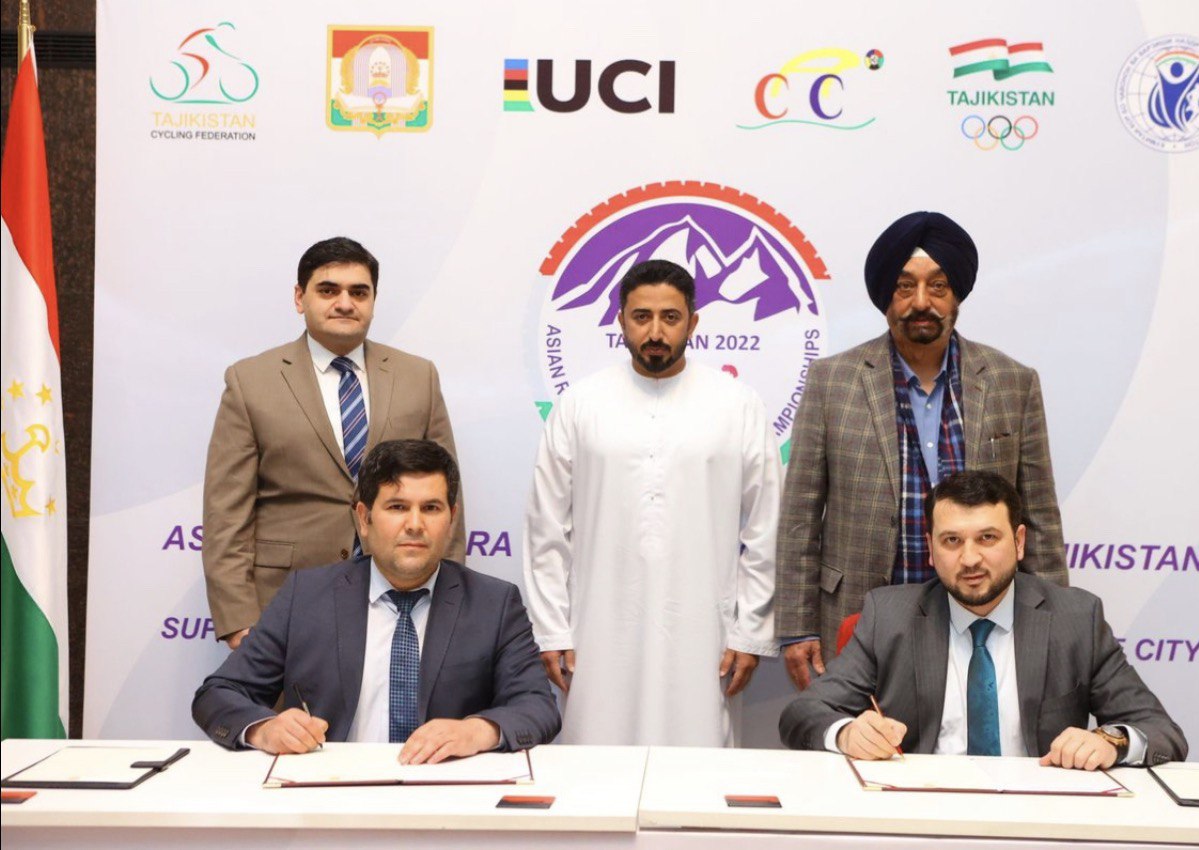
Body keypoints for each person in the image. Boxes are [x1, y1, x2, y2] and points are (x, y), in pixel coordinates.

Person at [778, 211, 1067, 689]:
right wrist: (797, 625)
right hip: (857, 614)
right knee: (865, 733)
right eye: (904, 286)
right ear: (885, 297)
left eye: (938, 286)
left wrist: (1057, 624)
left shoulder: (1012, 382)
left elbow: (1039, 516)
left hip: (983, 612)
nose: (921, 302)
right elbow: (800, 516)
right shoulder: (832, 381)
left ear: (957, 295)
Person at [523, 259, 782, 746]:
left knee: (699, 764)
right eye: (642, 317)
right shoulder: (580, 404)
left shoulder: (738, 404)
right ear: (621, 320)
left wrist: (749, 632)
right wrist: (552, 631)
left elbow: (767, 528)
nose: (656, 332)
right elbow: (546, 529)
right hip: (598, 631)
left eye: (670, 317)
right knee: (596, 764)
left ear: (693, 322)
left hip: (704, 634)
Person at [780, 471, 1187, 770]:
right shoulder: (888, 616)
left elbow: (1160, 730)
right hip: (920, 815)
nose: (970, 558)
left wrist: (1109, 741)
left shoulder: (1076, 618)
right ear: (930, 549)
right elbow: (803, 713)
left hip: (1040, 818)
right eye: (952, 541)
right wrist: (847, 733)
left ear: (1019, 542)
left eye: (987, 538)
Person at [193, 440, 558, 762]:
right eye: (397, 507)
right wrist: (265, 729)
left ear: (452, 519)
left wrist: (477, 731)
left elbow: (538, 707)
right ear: (364, 519)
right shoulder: (306, 596)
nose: (415, 524)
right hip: (328, 794)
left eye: (431, 508)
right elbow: (218, 694)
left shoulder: (494, 604)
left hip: (446, 793)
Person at [202, 236, 465, 649]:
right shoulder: (250, 381)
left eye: (359, 292)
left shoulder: (419, 377)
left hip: (402, 599)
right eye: (328, 290)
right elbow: (226, 514)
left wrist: (448, 604)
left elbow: (446, 499)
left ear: (373, 300)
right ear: (299, 297)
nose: (345, 303)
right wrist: (239, 621)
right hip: (284, 604)